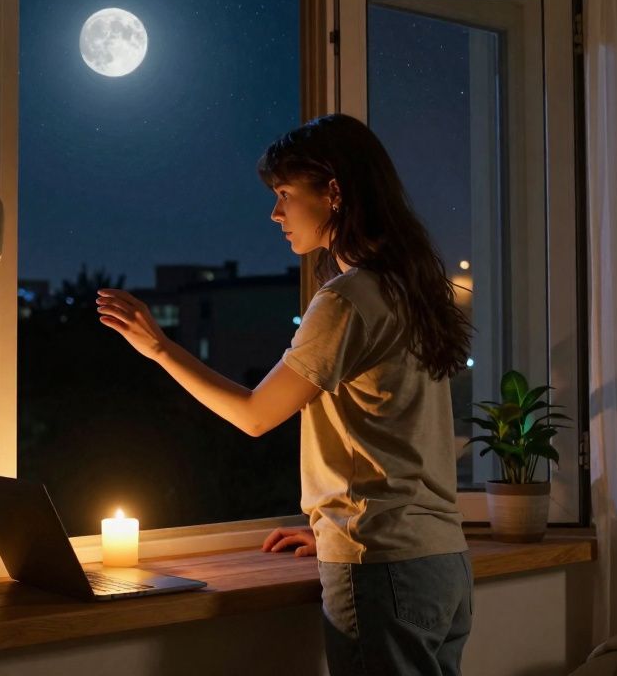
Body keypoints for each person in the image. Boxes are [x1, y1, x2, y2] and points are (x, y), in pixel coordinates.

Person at [95, 113, 474, 676]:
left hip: (384, 565)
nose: (275, 213)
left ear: (334, 192)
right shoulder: (409, 289)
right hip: (442, 563)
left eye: (284, 194)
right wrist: (330, 526)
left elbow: (255, 416)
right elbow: (396, 436)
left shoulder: (347, 300)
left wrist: (158, 348)